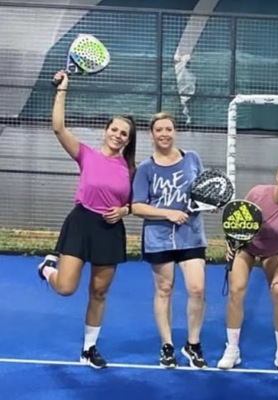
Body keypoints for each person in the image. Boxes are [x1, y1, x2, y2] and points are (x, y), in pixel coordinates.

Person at [37, 70, 137, 369]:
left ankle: (89, 349)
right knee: (66, 288)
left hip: (110, 230)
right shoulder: (86, 155)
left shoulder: (131, 170)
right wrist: (62, 89)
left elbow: (136, 203)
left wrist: (125, 211)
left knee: (99, 292)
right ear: (106, 130)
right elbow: (58, 128)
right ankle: (46, 269)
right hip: (81, 224)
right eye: (114, 129)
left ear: (128, 140)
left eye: (124, 133)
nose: (118, 135)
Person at [216, 160, 278, 372]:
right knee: (236, 290)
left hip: (275, 251)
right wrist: (230, 244)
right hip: (247, 247)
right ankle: (232, 349)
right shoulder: (258, 193)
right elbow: (237, 221)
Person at [131, 112, 208, 369]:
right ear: (152, 134)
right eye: (159, 130)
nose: (164, 134)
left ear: (175, 132)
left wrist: (210, 204)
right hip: (159, 238)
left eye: (168, 129)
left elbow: (204, 191)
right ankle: (167, 346)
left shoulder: (192, 158)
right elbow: (137, 206)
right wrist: (168, 213)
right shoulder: (146, 168)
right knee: (164, 290)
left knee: (197, 288)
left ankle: (193, 344)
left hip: (191, 235)